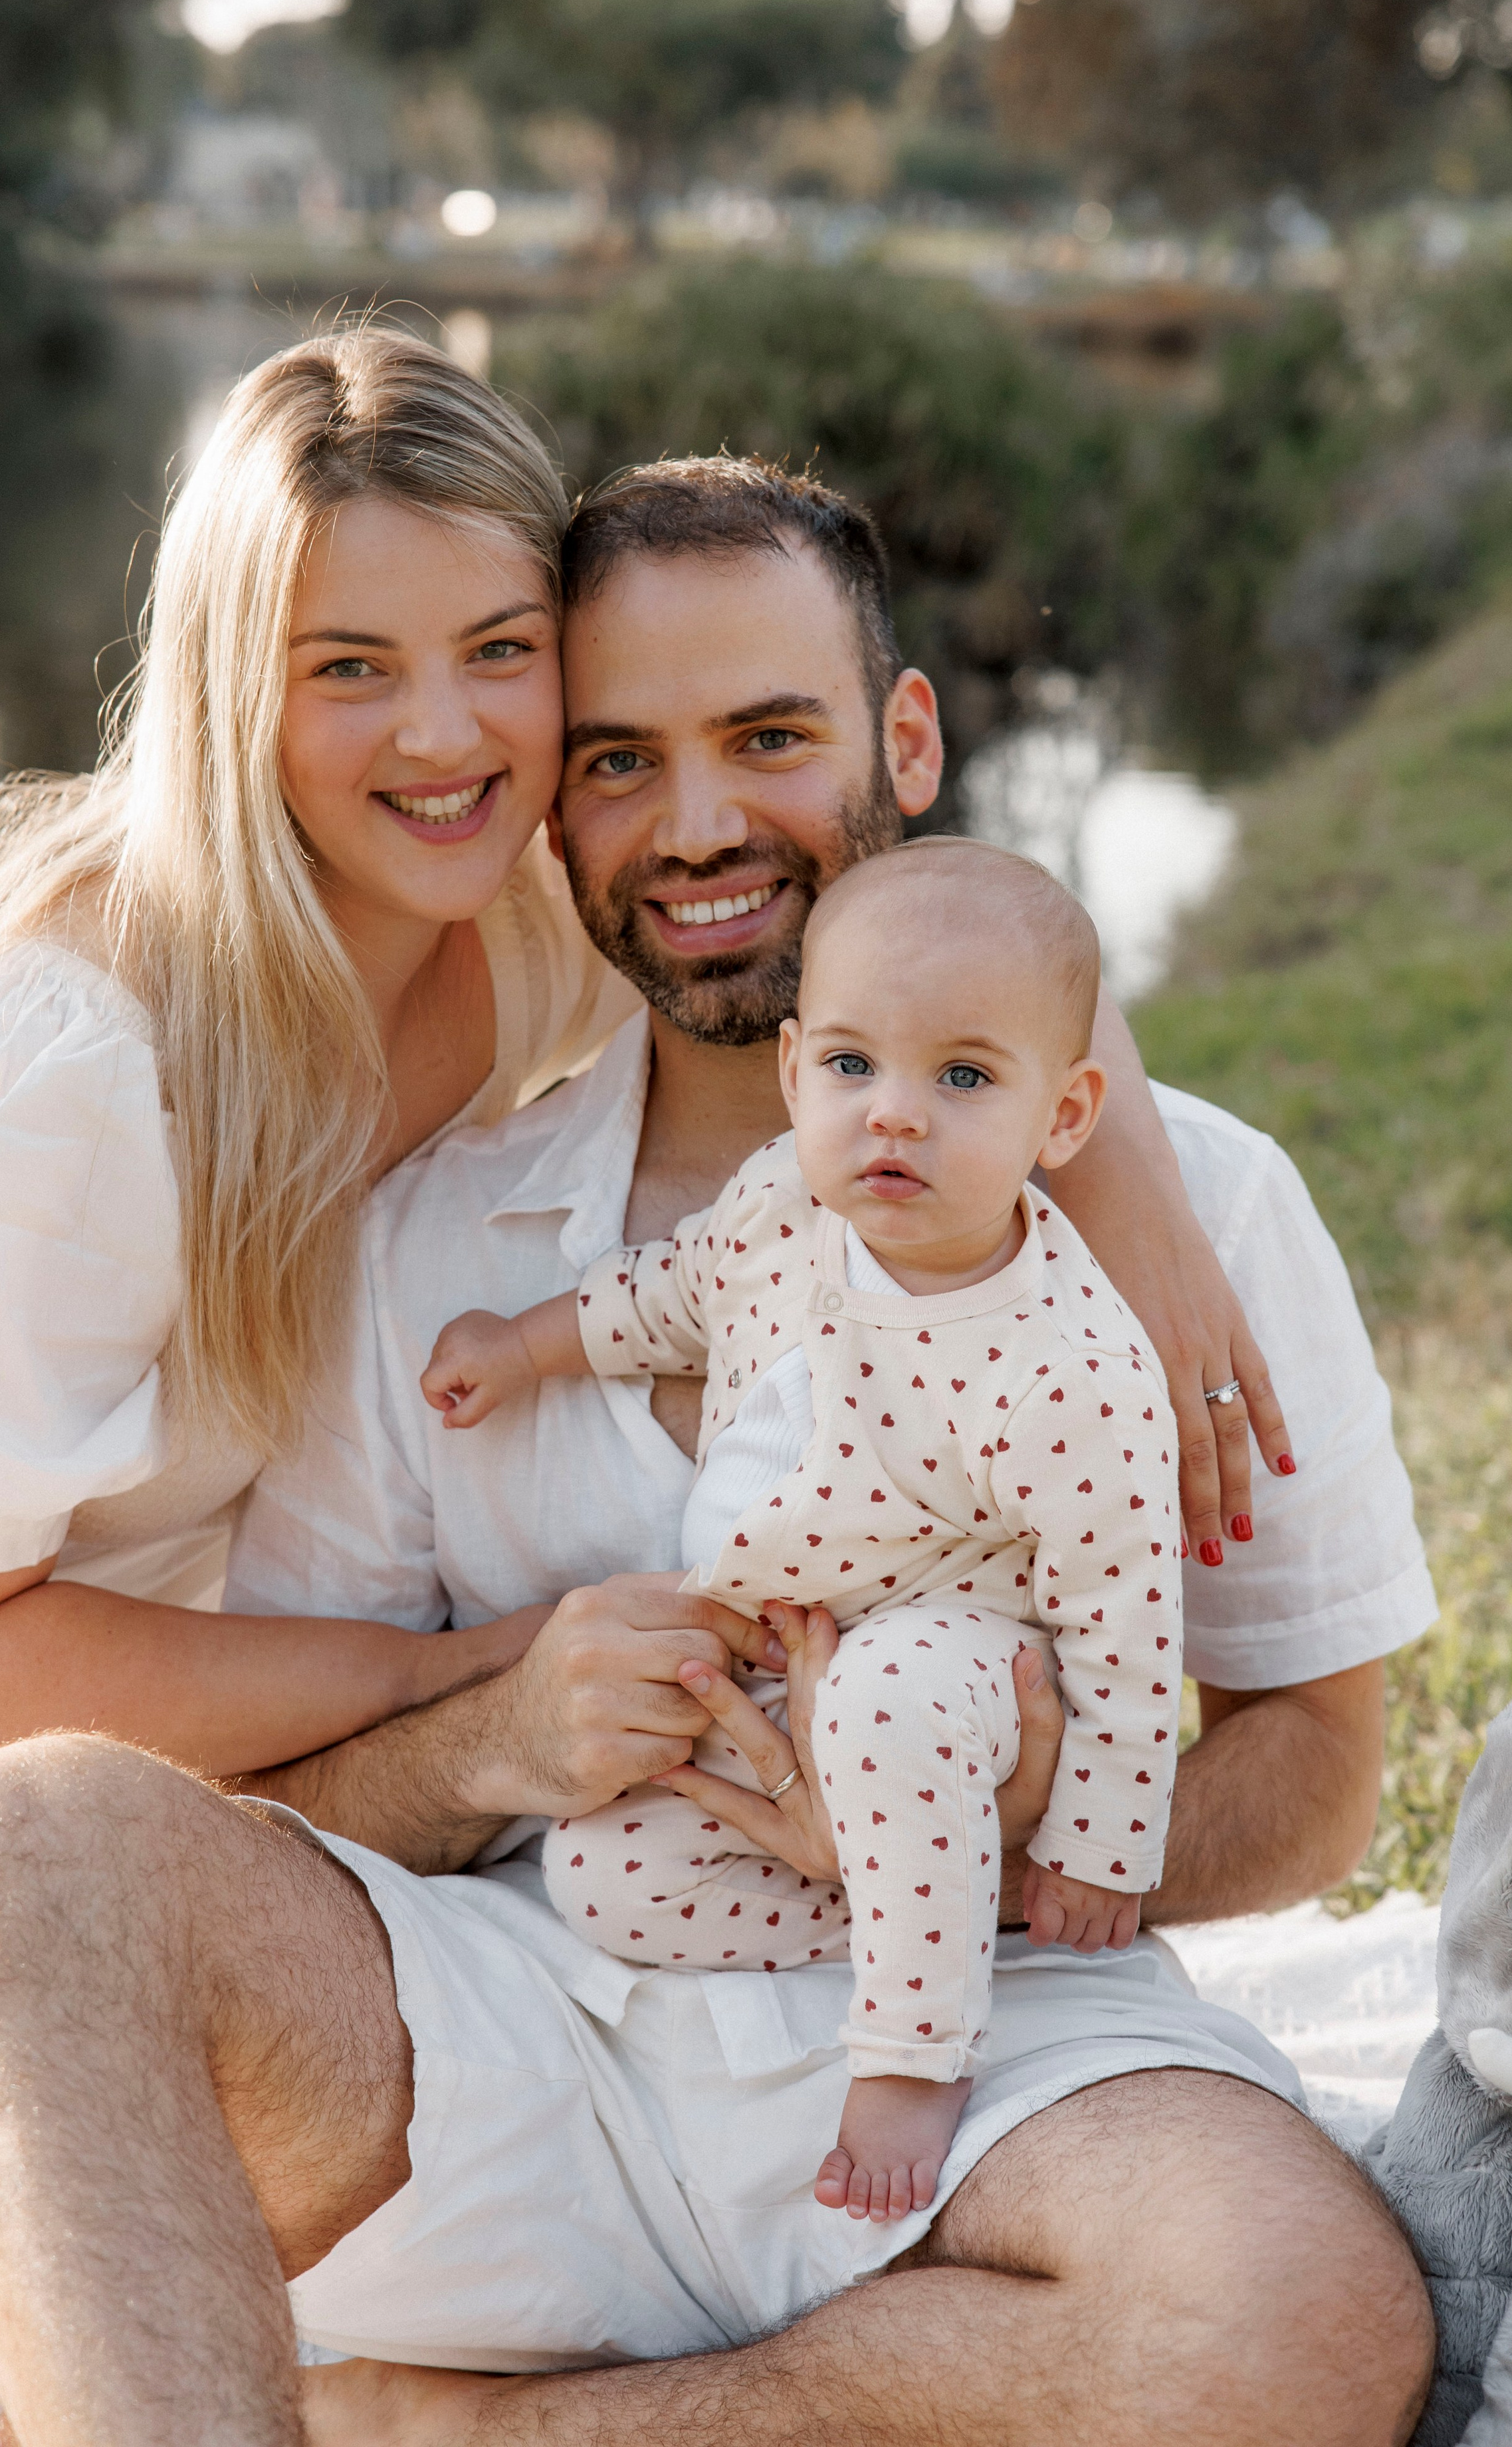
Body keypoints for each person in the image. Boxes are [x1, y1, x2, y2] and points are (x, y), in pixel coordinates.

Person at [0, 459, 1438, 2447]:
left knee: (1301, 2320)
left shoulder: (1195, 1213)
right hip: (530, 2016)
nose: (699, 827)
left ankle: (449, 2427)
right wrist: (495, 1740)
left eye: (771, 740)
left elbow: (1316, 1777)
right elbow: (288, 1806)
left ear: (906, 739)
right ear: (549, 812)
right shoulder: (429, 1231)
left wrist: (1016, 1829)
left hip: (990, 2045)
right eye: (619, 760)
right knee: (23, 1846)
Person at [0, 323, 651, 2389]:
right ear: (233, 686)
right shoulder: (63, 1060)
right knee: (17, 2327)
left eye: (502, 645)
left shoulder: (519, 915)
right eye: (348, 668)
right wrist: (445, 1672)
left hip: (171, 1768)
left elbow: (882, 917)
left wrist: (1157, 1219)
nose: (447, 734)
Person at [424, 837, 1185, 2223]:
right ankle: (945, 1906)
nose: (891, 1116)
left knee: (890, 1698)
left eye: (960, 1078)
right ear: (792, 1076)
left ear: (1061, 1115)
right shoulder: (780, 1203)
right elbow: (669, 1294)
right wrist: (524, 1346)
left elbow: (1122, 1618)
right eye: (850, 1067)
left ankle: (912, 2052)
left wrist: (1098, 1843)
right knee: (601, 1876)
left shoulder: (1065, 1365)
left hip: (953, 1644)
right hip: (785, 1649)